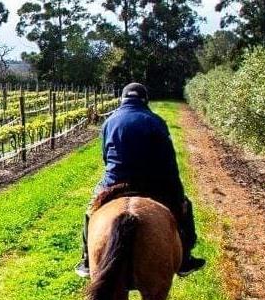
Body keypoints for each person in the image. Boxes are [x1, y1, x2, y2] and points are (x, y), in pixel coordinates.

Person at [75, 82, 204, 278]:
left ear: (123, 99)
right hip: (150, 183)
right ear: (145, 100)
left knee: (90, 210)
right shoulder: (155, 121)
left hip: (114, 182)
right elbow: (169, 162)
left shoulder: (109, 122)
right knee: (186, 206)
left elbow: (104, 156)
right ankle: (186, 257)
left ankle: (86, 258)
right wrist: (177, 194)